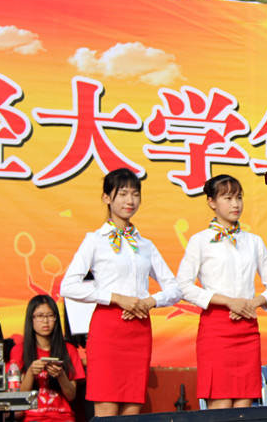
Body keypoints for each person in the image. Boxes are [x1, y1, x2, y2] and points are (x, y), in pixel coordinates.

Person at [60, 168, 181, 417]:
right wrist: (115, 298)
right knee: (106, 408)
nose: (130, 200)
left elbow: (175, 289)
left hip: (139, 330)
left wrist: (150, 301)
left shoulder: (145, 245)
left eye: (135, 194)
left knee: (132, 409)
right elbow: (68, 286)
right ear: (107, 198)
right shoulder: (95, 240)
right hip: (108, 329)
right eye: (123, 193)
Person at [176, 175, 267, 409]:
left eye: (239, 198)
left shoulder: (254, 241)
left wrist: (252, 303)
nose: (236, 204)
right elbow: (183, 286)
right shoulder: (200, 241)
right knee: (220, 405)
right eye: (228, 198)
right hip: (216, 330)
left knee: (244, 406)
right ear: (211, 202)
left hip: (247, 328)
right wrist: (228, 302)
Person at [9, 295, 85, 422]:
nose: (45, 321)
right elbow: (18, 397)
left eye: (50, 316)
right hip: (32, 418)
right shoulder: (19, 350)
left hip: (63, 417)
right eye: (40, 316)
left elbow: (71, 395)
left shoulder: (69, 349)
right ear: (31, 319)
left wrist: (60, 375)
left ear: (56, 318)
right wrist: (31, 372)